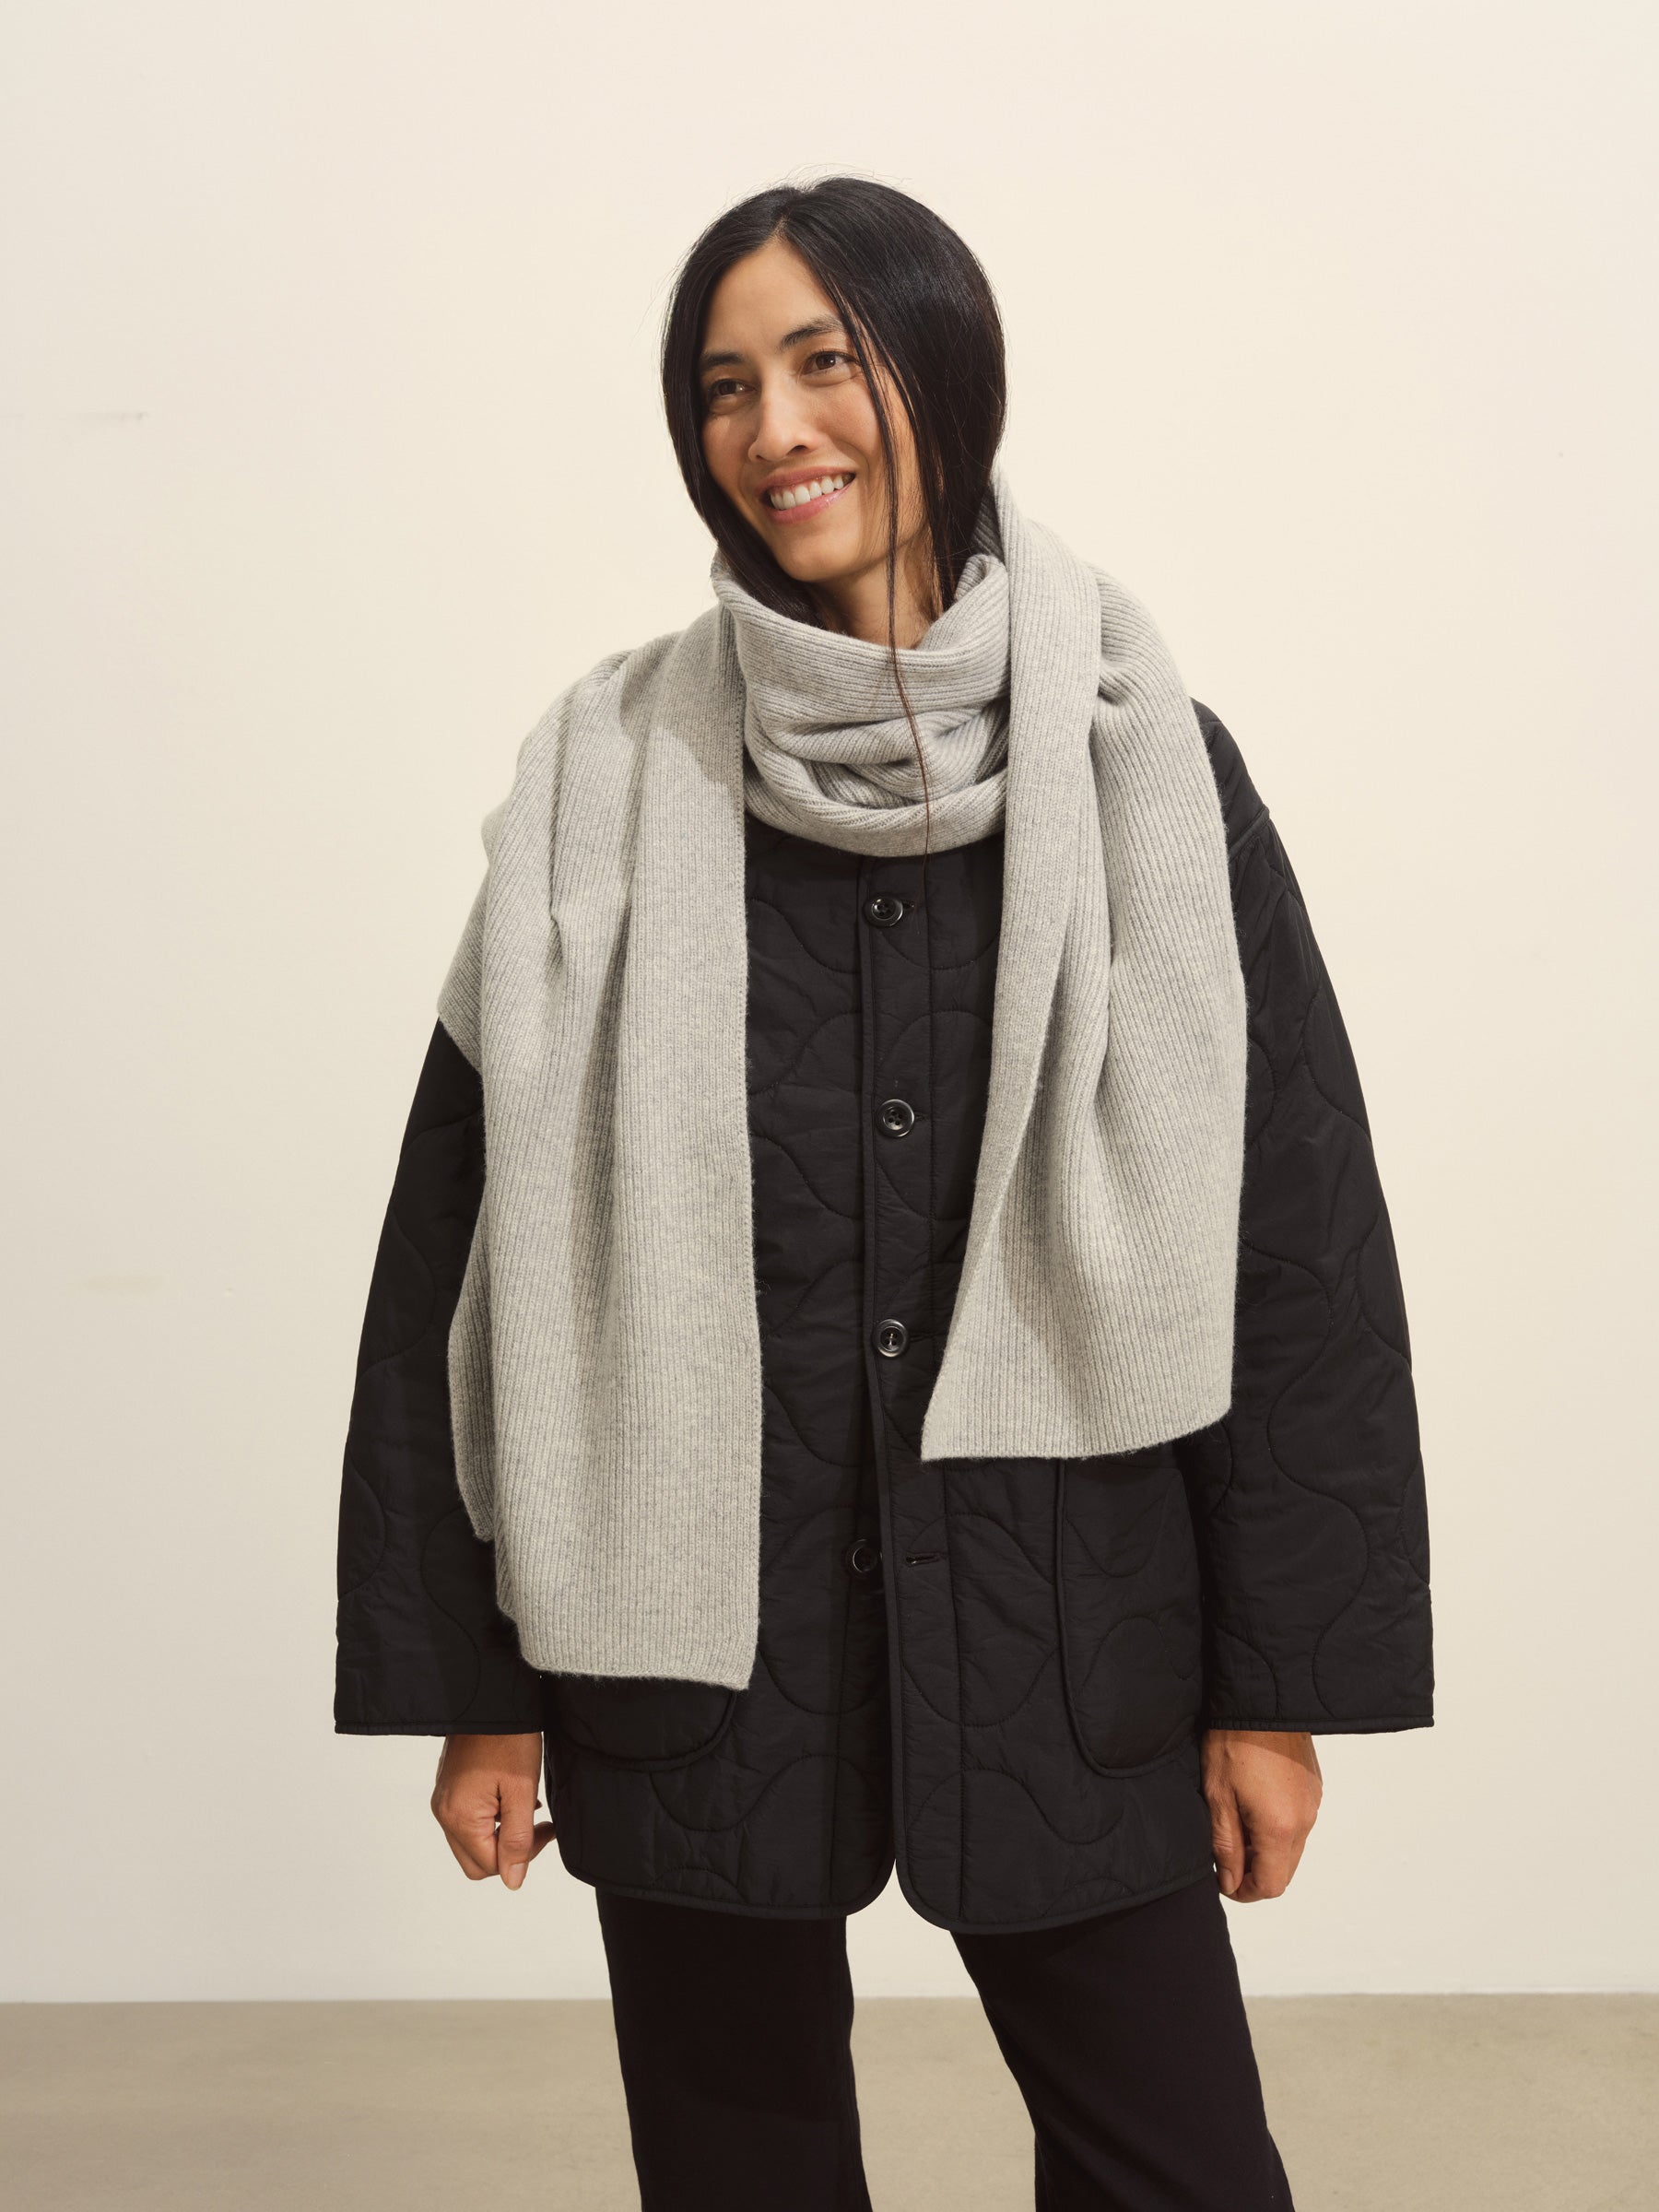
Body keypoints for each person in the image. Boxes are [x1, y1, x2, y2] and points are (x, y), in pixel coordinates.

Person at [335, 176, 1433, 2212]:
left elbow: (1293, 1244)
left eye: (826, 362)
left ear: (943, 369)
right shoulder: (601, 782)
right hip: (686, 1657)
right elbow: (456, 1266)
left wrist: (1283, 1692)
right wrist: (476, 1698)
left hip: (1077, 1633)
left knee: (1183, 2171)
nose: (776, 430)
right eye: (723, 386)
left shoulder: (1150, 769)